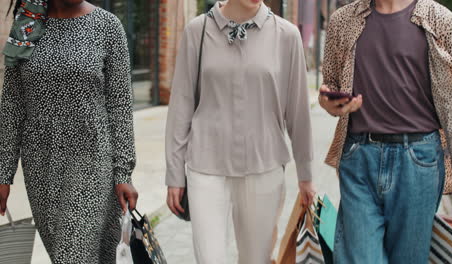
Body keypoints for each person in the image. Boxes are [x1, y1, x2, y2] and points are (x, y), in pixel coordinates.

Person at [165, 0, 316, 263]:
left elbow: (299, 113)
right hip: (206, 166)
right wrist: (175, 174)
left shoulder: (286, 35)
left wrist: (306, 175)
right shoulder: (197, 31)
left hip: (264, 165)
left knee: (256, 259)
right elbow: (181, 105)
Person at [319, 0, 452, 263]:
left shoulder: (441, 21)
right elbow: (328, 85)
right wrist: (330, 102)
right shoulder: (343, 20)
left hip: (419, 163)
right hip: (359, 158)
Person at [0, 0, 138, 263]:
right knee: (66, 253)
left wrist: (123, 171)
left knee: (72, 255)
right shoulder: (26, 24)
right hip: (40, 164)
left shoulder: (108, 26)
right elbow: (12, 104)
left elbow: (120, 103)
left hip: (91, 159)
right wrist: (3, 172)